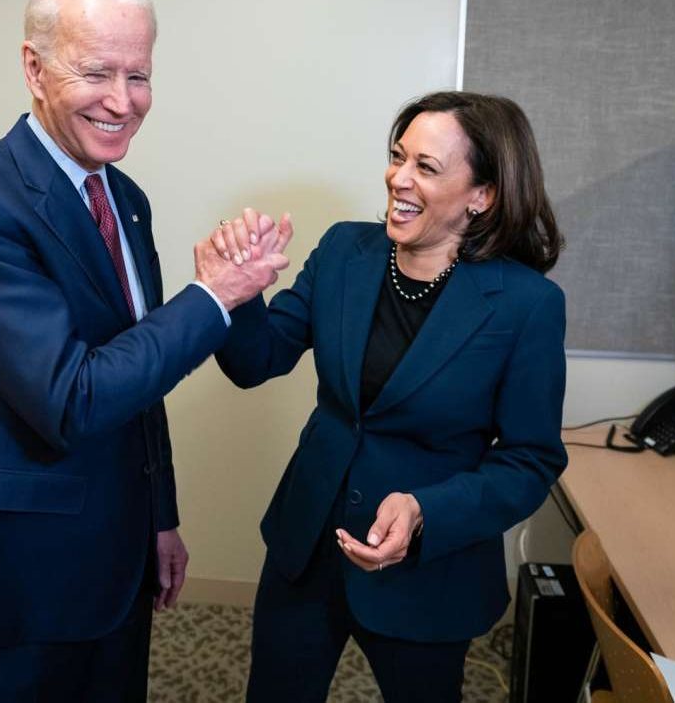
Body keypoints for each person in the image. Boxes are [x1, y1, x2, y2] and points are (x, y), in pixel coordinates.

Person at [0, 0, 290, 701]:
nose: (122, 101)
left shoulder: (124, 197)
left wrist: (158, 516)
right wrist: (214, 295)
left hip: (116, 551)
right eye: (96, 72)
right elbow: (73, 396)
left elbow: (137, 376)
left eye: (138, 75)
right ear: (34, 68)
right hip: (18, 569)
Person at [211, 91, 567, 702]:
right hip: (308, 545)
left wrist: (427, 511)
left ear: (483, 195)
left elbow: (530, 460)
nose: (398, 178)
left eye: (426, 167)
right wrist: (238, 293)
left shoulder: (526, 305)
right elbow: (254, 362)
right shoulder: (343, 252)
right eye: (398, 157)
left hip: (428, 572)